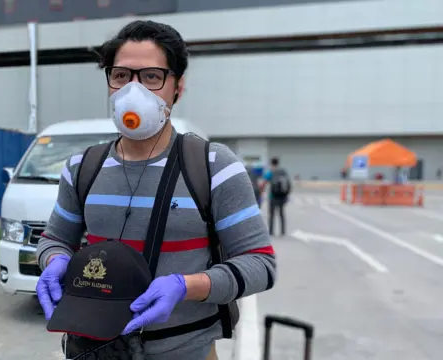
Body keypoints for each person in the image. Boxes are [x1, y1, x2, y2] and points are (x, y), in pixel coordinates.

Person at [35, 20, 276, 360]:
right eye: (121, 76)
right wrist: (55, 260)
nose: (133, 90)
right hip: (95, 349)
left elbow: (260, 264)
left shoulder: (214, 166)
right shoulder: (82, 167)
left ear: (178, 87)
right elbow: (55, 238)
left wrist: (186, 287)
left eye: (151, 77)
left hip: (186, 350)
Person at [262, 157, 291, 236]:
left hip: (273, 196)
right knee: (281, 213)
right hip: (282, 196)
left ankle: (271, 231)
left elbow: (264, 182)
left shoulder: (271, 172)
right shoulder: (283, 171)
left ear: (271, 163)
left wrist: (261, 191)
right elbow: (288, 182)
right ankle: (282, 231)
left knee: (272, 214)